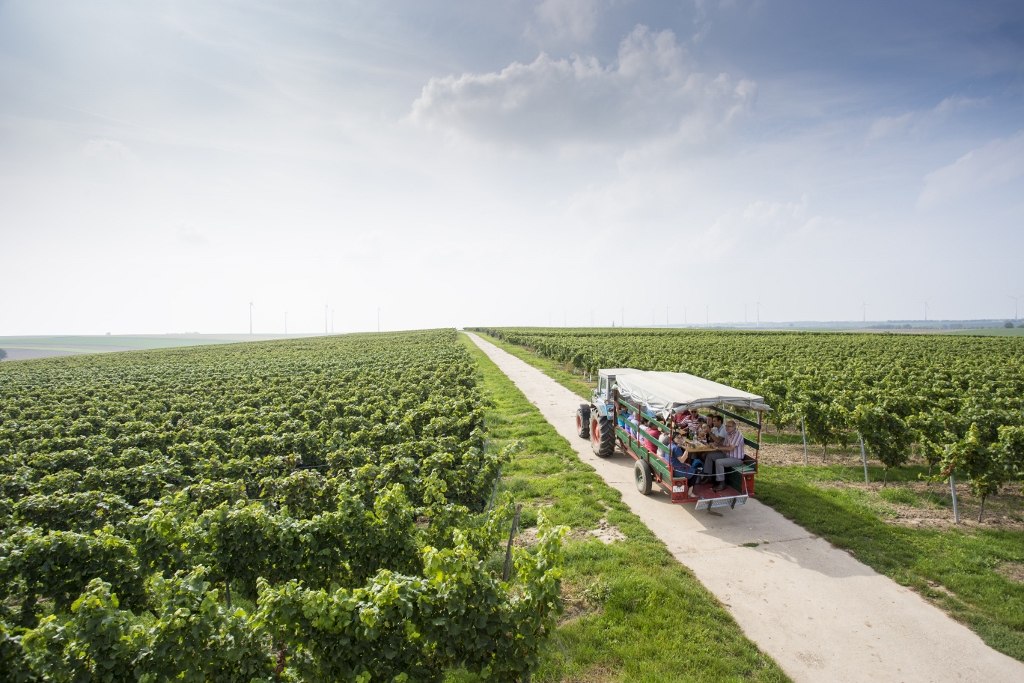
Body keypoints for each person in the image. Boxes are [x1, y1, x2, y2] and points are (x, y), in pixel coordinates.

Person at [706, 420, 746, 492]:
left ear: (734, 427)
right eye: (726, 426)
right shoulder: (728, 434)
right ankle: (708, 476)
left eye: (729, 426)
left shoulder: (738, 435)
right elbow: (724, 446)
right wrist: (715, 445)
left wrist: (718, 448)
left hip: (736, 459)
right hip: (727, 455)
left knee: (719, 462)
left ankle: (721, 483)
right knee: (710, 456)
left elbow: (730, 448)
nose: (727, 428)